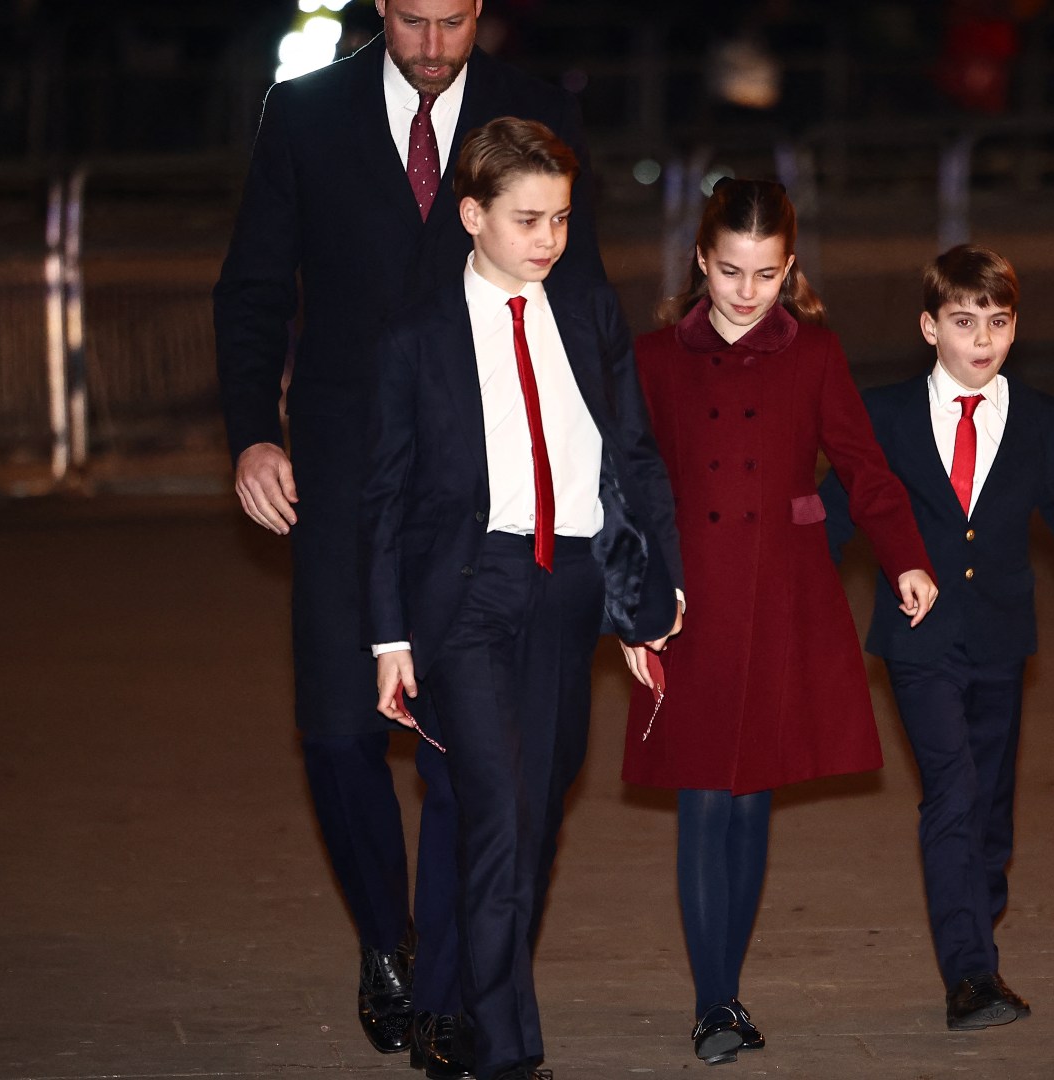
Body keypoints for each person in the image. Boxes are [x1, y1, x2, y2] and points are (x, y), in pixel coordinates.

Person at [211, 1, 605, 1072]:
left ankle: (448, 991)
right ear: (382, 5)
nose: (435, 45)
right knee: (337, 725)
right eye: (416, 20)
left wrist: (613, 474)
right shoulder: (303, 114)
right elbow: (252, 288)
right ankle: (389, 940)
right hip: (341, 469)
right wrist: (253, 435)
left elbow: (581, 294)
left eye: (457, 20)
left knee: (464, 750)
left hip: (487, 482)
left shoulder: (532, 110)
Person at [365, 116, 683, 1080]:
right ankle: (505, 1053)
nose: (548, 238)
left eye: (561, 219)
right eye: (527, 219)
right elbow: (384, 496)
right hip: (469, 596)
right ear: (473, 215)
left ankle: (457, 1007)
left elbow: (629, 459)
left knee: (536, 818)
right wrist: (389, 639)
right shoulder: (418, 338)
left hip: (571, 588)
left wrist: (647, 595)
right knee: (498, 815)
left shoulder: (586, 310)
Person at [618, 179, 939, 1066]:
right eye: (729, 271)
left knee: (751, 796)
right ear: (700, 261)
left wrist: (907, 555)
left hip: (781, 596)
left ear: (790, 268)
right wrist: (631, 601)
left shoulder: (817, 355)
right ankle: (712, 1000)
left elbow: (865, 469)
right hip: (687, 602)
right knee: (700, 797)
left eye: (765, 273)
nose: (746, 291)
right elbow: (624, 488)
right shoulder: (652, 359)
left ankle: (726, 989)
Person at [821, 244, 1054, 1030]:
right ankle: (970, 976)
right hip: (919, 639)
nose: (982, 339)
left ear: (1014, 328)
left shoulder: (1040, 418)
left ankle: (976, 909)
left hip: (1003, 636)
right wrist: (773, 593)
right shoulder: (888, 413)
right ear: (930, 327)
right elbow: (841, 512)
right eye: (964, 322)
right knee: (953, 794)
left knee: (990, 810)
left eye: (997, 323)